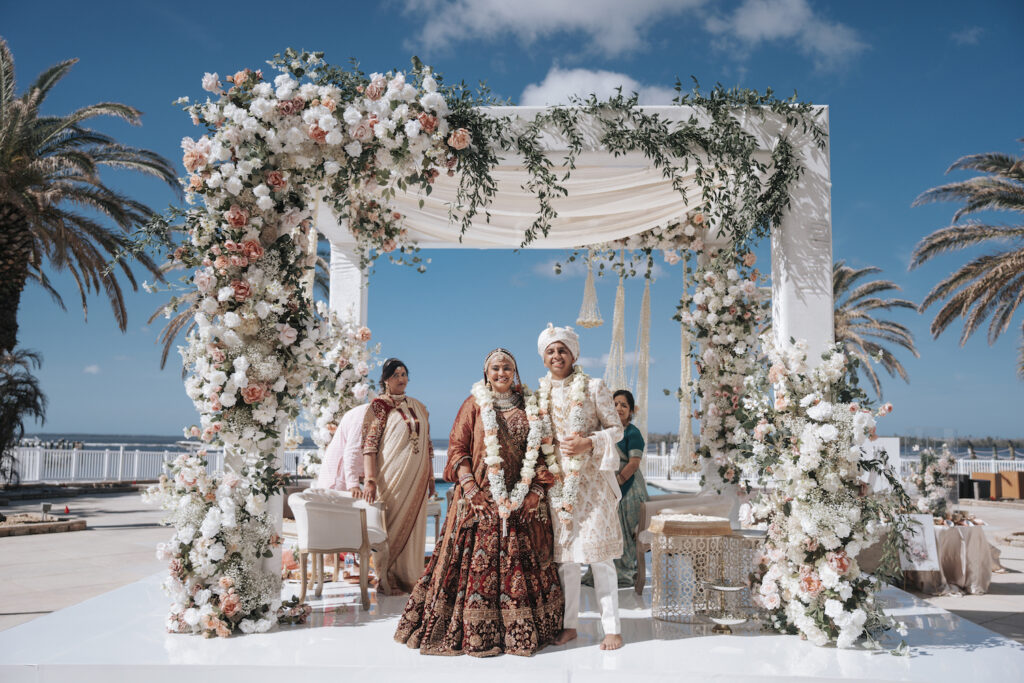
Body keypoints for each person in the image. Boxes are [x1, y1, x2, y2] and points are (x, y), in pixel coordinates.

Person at [394, 349, 564, 656]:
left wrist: (536, 491)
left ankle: (521, 632)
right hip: (481, 500)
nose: (502, 372)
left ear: (516, 372)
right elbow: (458, 448)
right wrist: (471, 489)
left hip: (521, 502)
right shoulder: (473, 404)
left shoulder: (532, 406)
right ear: (486, 373)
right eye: (496, 368)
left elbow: (541, 454)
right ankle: (474, 632)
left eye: (508, 367)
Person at [536, 323, 625, 651]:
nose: (557, 355)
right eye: (550, 351)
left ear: (574, 353)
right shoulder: (538, 395)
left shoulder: (593, 386)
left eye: (562, 349)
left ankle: (612, 627)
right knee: (567, 561)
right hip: (559, 486)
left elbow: (616, 429)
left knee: (600, 559)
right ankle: (569, 625)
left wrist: (589, 442)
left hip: (594, 485)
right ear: (543, 359)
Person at [361, 358, 435, 594]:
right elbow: (369, 445)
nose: (402, 379)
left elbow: (428, 446)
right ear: (385, 379)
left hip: (417, 476)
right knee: (390, 525)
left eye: (404, 374)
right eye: (396, 375)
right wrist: (370, 480)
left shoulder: (419, 407)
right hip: (391, 477)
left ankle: (411, 576)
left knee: (414, 526)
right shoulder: (379, 407)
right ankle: (386, 577)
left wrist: (431, 477)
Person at [608, 390, 649, 587]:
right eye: (615, 404)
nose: (619, 408)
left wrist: (618, 481)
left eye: (624, 405)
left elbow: (634, 463)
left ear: (631, 410)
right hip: (611, 484)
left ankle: (623, 573)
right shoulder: (607, 431)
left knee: (624, 529)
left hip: (628, 486)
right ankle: (605, 573)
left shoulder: (632, 433)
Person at [313, 403, 370, 493]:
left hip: (337, 475)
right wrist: (353, 484)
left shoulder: (365, 413)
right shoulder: (363, 416)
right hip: (337, 478)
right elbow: (352, 452)